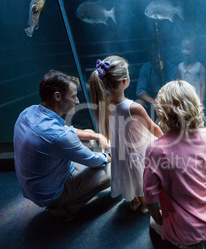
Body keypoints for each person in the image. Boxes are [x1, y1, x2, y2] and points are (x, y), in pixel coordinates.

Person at [14, 70, 111, 222]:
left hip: (34, 185)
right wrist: (110, 157)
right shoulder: (57, 136)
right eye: (73, 96)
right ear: (57, 96)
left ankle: (65, 197)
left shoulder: (28, 112)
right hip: (48, 193)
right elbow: (95, 160)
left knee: (89, 134)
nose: (77, 101)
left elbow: (68, 131)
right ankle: (66, 208)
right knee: (112, 171)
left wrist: (97, 135)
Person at [143, 81, 206, 249]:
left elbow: (150, 196)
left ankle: (190, 247)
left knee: (155, 225)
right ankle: (197, 244)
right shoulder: (204, 134)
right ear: (195, 106)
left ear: (162, 112)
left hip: (185, 225)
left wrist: (159, 219)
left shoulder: (156, 149)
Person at [90, 56, 163, 214]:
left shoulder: (103, 104)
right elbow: (153, 128)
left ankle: (134, 201)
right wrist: (166, 141)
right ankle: (145, 204)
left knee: (126, 174)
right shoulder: (133, 107)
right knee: (140, 175)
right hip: (136, 149)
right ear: (125, 81)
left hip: (119, 150)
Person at [135, 52, 176, 117]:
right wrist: (153, 102)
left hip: (167, 102)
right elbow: (140, 91)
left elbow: (171, 92)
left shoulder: (172, 69)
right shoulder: (146, 67)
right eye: (155, 63)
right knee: (138, 103)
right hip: (150, 102)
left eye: (160, 63)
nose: (158, 66)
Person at [177, 36, 206, 103]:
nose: (185, 51)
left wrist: (201, 100)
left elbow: (202, 85)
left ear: (195, 50)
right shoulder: (179, 67)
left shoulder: (200, 67)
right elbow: (177, 85)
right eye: (183, 48)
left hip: (195, 101)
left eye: (188, 49)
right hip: (183, 101)